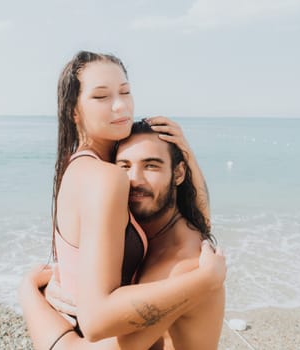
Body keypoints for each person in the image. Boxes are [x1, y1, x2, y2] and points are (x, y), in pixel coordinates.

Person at [18, 51, 226, 349]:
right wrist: (207, 280)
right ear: (73, 111)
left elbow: (193, 224)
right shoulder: (107, 176)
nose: (120, 106)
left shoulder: (81, 167)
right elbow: (96, 320)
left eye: (125, 92)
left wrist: (185, 152)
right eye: (101, 97)